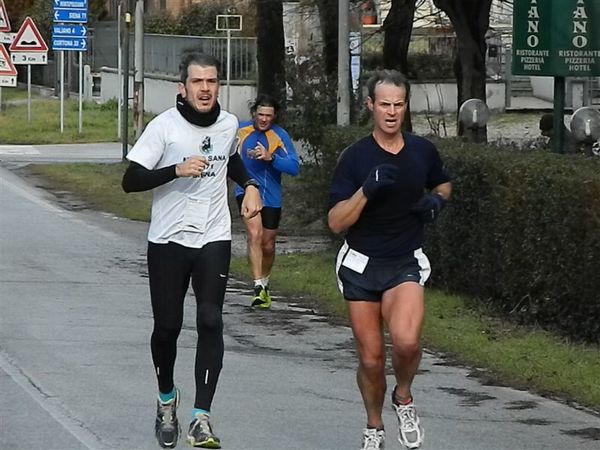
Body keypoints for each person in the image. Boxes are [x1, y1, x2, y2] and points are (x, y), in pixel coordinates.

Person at [121, 51, 261, 449]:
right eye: (198, 82)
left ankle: (202, 417)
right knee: (167, 327)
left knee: (211, 320)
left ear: (219, 86)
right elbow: (130, 180)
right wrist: (176, 170)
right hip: (168, 240)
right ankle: (167, 399)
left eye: (212, 82)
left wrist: (248, 186)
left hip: (213, 236)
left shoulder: (229, 123)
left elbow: (231, 160)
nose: (205, 89)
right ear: (182, 88)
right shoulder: (163, 128)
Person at [327, 70, 452, 450]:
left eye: (399, 105)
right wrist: (366, 190)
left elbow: (443, 182)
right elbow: (335, 222)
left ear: (405, 107)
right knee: (370, 359)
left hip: (404, 261)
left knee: (408, 342)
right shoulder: (355, 157)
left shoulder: (422, 151)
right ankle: (374, 426)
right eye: (385, 104)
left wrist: (437, 201)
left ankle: (404, 396)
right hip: (362, 263)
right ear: (370, 106)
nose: (392, 112)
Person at [234, 94, 300, 309]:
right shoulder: (241, 130)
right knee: (254, 234)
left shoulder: (280, 135)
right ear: (254, 113)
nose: (264, 119)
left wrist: (272, 159)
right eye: (260, 115)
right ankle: (257, 287)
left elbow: (294, 167)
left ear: (275, 116)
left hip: (271, 194)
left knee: (268, 245)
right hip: (245, 189)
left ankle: (265, 282)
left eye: (268, 116)